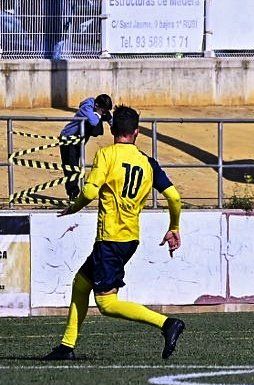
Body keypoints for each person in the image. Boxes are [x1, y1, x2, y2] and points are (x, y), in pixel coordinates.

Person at [43, 105, 185, 361]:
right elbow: (174, 197)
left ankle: (167, 324)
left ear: (111, 129)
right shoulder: (148, 163)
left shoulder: (106, 155)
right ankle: (66, 346)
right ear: (137, 132)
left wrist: (73, 208)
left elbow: (88, 192)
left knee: (107, 304)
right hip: (129, 238)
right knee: (81, 283)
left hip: (110, 238)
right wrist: (174, 227)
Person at [60, 94, 113, 200]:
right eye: (103, 111)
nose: (104, 113)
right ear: (97, 105)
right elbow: (94, 121)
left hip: (78, 140)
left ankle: (75, 194)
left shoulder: (98, 109)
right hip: (68, 139)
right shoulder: (86, 108)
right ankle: (73, 195)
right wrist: (99, 115)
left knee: (76, 166)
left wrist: (111, 121)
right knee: (71, 168)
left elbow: (112, 121)